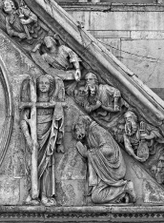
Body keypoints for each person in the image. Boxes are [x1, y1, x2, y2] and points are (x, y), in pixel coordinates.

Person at [20, 74, 65, 205]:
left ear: (50, 86)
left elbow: (59, 120)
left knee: (46, 165)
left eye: (46, 83)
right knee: (31, 165)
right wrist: (28, 138)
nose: (44, 85)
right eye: (41, 83)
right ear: (37, 86)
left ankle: (44, 195)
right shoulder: (32, 102)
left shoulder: (53, 102)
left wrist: (59, 141)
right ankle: (32, 194)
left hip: (48, 137)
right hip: (34, 139)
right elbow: (23, 121)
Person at [73, 116, 136, 204]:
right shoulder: (90, 134)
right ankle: (121, 194)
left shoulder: (96, 130)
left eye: (77, 130)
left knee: (96, 197)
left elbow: (109, 149)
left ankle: (125, 187)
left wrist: (88, 153)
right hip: (103, 172)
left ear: (82, 125)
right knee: (95, 197)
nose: (78, 135)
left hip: (111, 171)